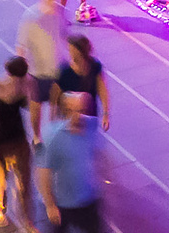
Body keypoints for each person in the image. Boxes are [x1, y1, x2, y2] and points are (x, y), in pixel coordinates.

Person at [36, 92, 104, 233]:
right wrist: (50, 205)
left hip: (88, 199)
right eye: (72, 111)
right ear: (65, 110)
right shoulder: (52, 135)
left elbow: (97, 155)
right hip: (62, 204)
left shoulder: (92, 125)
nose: (77, 115)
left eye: (81, 110)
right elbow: (43, 172)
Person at [0, 57, 34, 230]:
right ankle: (0, 210)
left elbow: (30, 106)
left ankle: (27, 218)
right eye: (16, 77)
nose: (19, 81)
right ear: (9, 74)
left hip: (18, 138)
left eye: (22, 77)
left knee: (25, 180)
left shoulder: (25, 84)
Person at [16, 0, 70, 140]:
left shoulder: (59, 11)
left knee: (61, 103)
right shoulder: (30, 17)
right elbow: (21, 46)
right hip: (37, 71)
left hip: (59, 68)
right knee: (36, 105)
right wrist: (22, 73)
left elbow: (65, 35)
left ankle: (56, 133)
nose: (55, 2)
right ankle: (36, 135)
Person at [54, 35, 111, 132]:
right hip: (69, 120)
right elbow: (56, 97)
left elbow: (103, 91)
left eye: (72, 50)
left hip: (89, 116)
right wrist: (54, 120)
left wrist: (105, 114)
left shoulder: (95, 66)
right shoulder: (65, 71)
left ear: (80, 51)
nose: (70, 53)